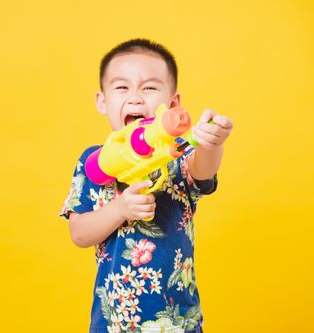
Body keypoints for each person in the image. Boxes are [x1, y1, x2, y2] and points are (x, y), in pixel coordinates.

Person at [59, 38, 234, 333]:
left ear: (173, 103)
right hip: (114, 322)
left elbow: (203, 168)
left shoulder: (180, 154)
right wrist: (119, 209)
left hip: (179, 321)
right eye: (122, 87)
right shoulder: (93, 161)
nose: (136, 98)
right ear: (102, 101)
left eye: (150, 87)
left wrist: (211, 141)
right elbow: (79, 233)